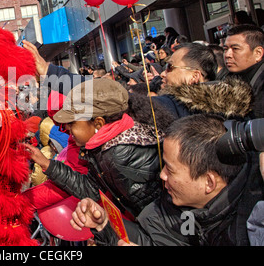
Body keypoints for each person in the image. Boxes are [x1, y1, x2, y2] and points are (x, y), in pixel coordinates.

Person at [71, 114, 262, 246]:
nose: (162, 175)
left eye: (170, 170)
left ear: (209, 182)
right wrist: (104, 224)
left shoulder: (246, 232)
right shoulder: (179, 203)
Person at [25, 78, 175, 218]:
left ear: (98, 123)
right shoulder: (106, 146)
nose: (67, 129)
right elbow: (91, 187)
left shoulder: (121, 156)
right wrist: (46, 163)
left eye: (72, 123)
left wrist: (105, 230)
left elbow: (153, 218)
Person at [223, 24, 263, 118]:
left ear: (258, 53)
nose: (228, 54)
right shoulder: (226, 81)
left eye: (235, 49)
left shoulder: (261, 82)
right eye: (225, 49)